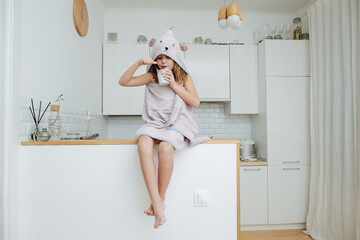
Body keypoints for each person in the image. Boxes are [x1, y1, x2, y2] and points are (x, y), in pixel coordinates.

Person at [119, 28, 210, 229]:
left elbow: (195, 102)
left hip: (177, 125)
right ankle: (158, 203)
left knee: (165, 148)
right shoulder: (151, 77)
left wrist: (174, 85)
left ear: (175, 57)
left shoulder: (184, 77)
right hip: (155, 124)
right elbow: (123, 82)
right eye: (158, 57)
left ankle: (159, 201)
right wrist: (138, 64)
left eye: (166, 57)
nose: (162, 61)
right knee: (143, 143)